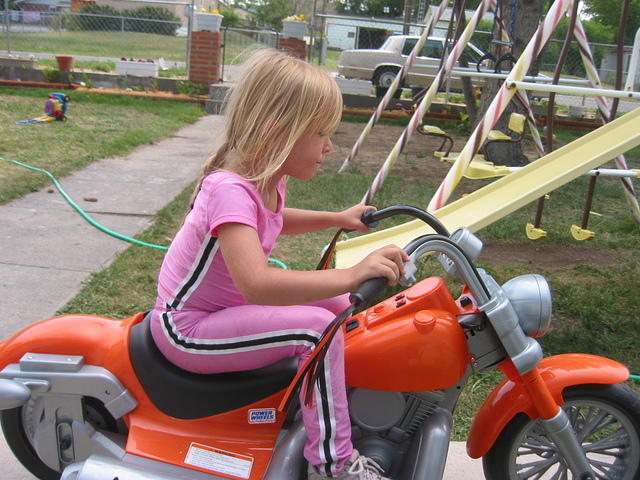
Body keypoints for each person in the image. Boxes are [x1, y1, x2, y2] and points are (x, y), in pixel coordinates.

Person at [150, 49, 408, 480]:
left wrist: (337, 217)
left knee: (337, 306)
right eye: (320, 133)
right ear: (278, 131)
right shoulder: (229, 189)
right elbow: (258, 285)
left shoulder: (265, 182)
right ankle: (335, 464)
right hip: (187, 329)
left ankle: (329, 405)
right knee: (316, 330)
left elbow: (273, 221)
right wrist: (353, 271)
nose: (329, 146)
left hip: (224, 314)